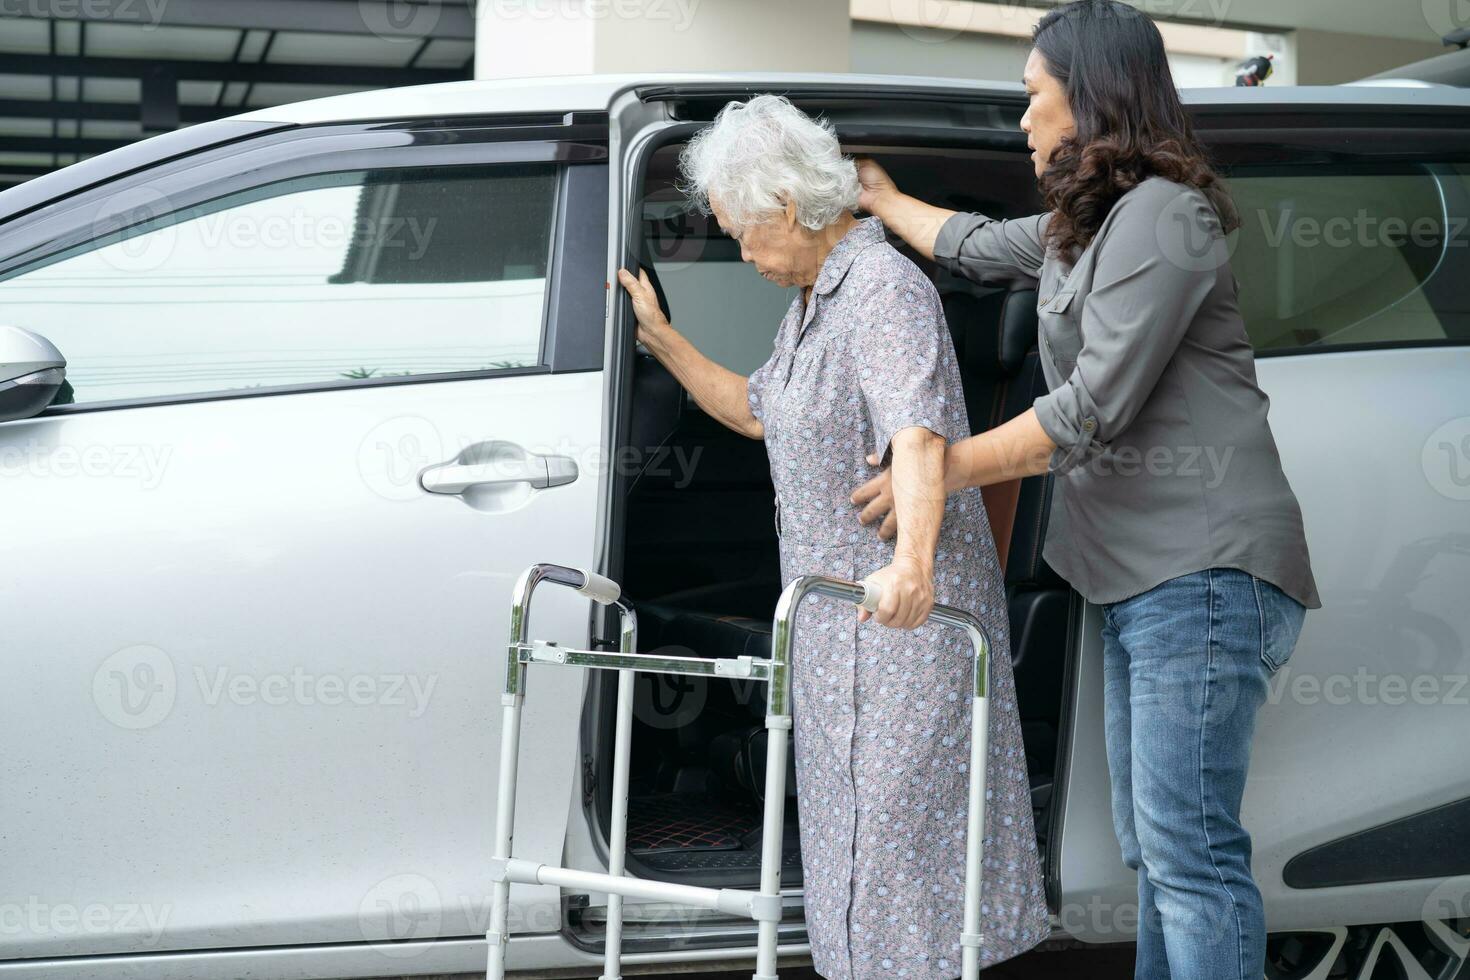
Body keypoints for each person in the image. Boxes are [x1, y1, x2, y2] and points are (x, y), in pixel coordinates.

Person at [849, 3, 1322, 978]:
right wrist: (883, 199)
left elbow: (1091, 406)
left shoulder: (1164, 216)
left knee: (1190, 858)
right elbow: (977, 246)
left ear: (1091, 95)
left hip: (1202, 572)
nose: (1022, 119)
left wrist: (937, 464)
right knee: (1159, 854)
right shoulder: (1086, 224)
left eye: (1033, 96)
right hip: (1137, 584)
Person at [616, 93, 1050, 978]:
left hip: (900, 642)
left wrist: (913, 569)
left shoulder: (884, 290)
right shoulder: (816, 301)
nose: (742, 253)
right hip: (834, 648)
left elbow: (917, 435)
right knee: (855, 880)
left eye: (743, 232)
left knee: (906, 888)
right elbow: (753, 412)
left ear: (785, 208)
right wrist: (661, 342)